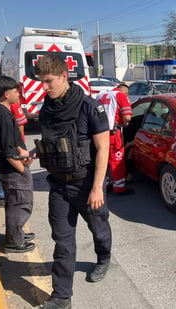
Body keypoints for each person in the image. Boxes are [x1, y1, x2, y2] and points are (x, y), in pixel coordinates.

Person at [34, 53, 111, 309]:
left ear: (64, 76)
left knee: (99, 229)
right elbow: (53, 143)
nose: (44, 87)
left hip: (87, 184)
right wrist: (34, 153)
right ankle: (61, 296)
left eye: (48, 81)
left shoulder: (89, 107)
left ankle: (103, 258)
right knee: (62, 241)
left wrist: (98, 187)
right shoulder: (47, 108)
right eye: (41, 82)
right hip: (58, 185)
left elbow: (103, 148)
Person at [0, 76, 35, 253]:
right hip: (11, 170)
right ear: (6, 94)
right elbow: (7, 151)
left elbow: (11, 143)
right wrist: (22, 170)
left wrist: (24, 154)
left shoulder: (0, 111)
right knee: (20, 204)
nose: (18, 94)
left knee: (15, 202)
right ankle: (14, 242)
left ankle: (16, 234)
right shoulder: (1, 116)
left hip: (10, 167)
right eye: (16, 91)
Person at [96, 83, 133, 195]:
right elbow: (127, 116)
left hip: (99, 133)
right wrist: (125, 123)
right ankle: (119, 188)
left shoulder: (100, 95)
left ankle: (105, 185)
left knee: (104, 160)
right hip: (113, 134)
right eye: (128, 95)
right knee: (117, 161)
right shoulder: (120, 95)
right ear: (125, 92)